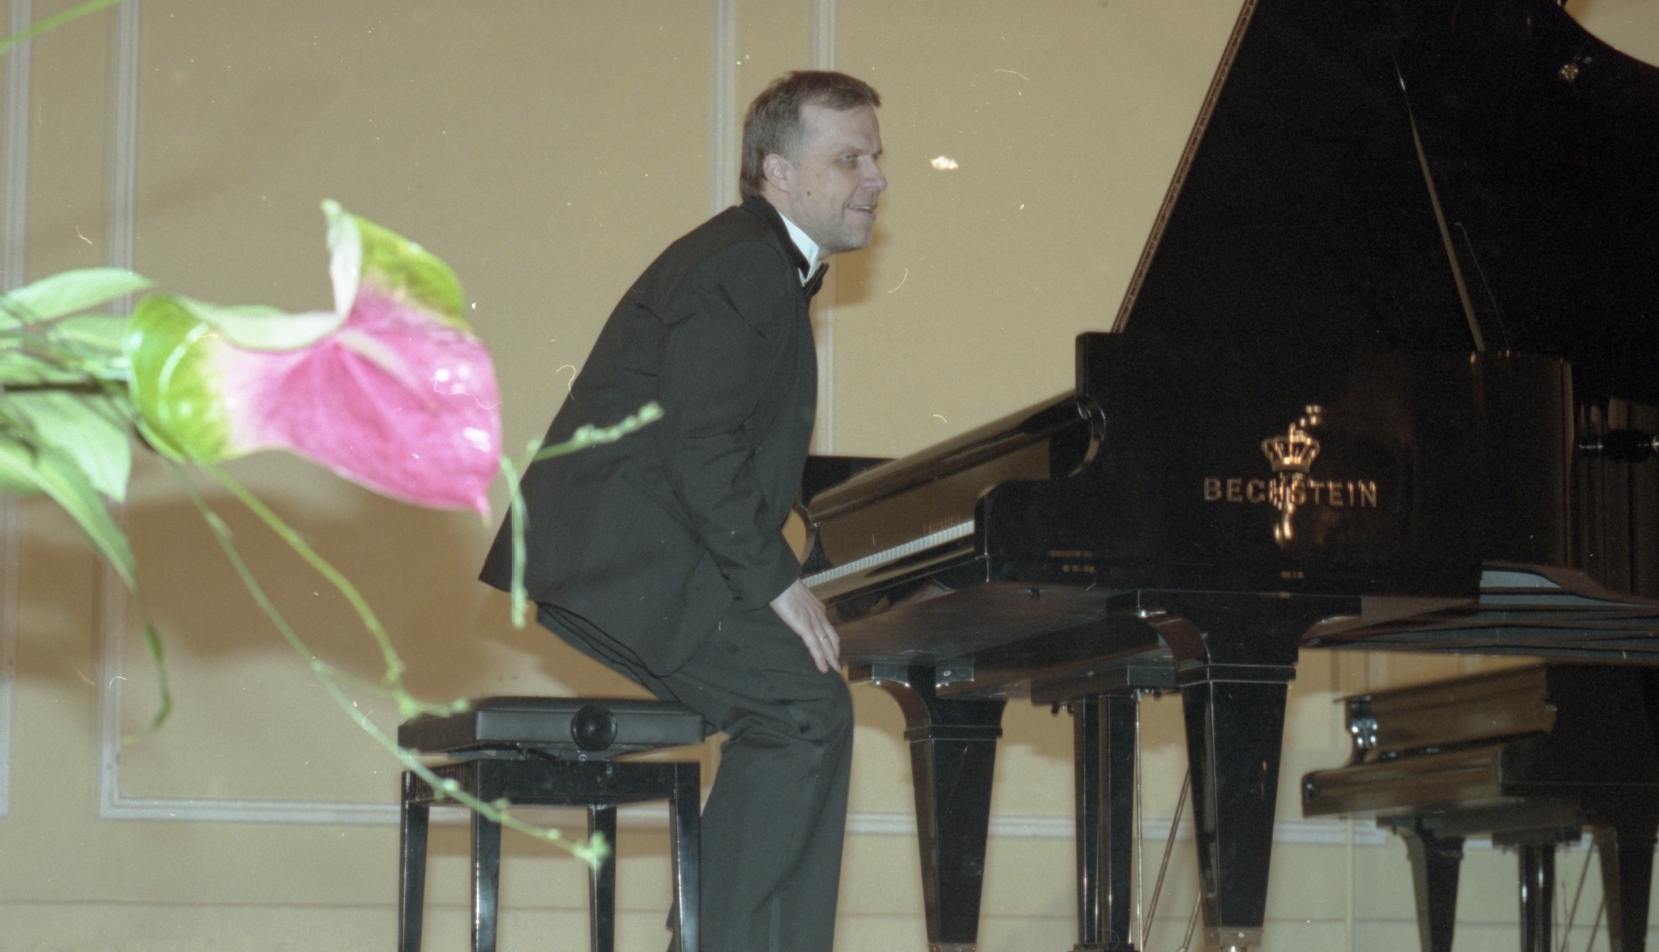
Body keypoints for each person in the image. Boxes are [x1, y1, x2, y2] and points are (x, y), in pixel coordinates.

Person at [479, 70, 886, 952]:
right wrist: (777, 584)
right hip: (623, 556)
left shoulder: (755, 260)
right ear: (779, 171)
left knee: (803, 705)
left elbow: (716, 448)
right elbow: (698, 446)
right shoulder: (744, 264)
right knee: (800, 712)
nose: (876, 178)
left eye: (876, 158)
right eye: (849, 158)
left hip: (634, 551)